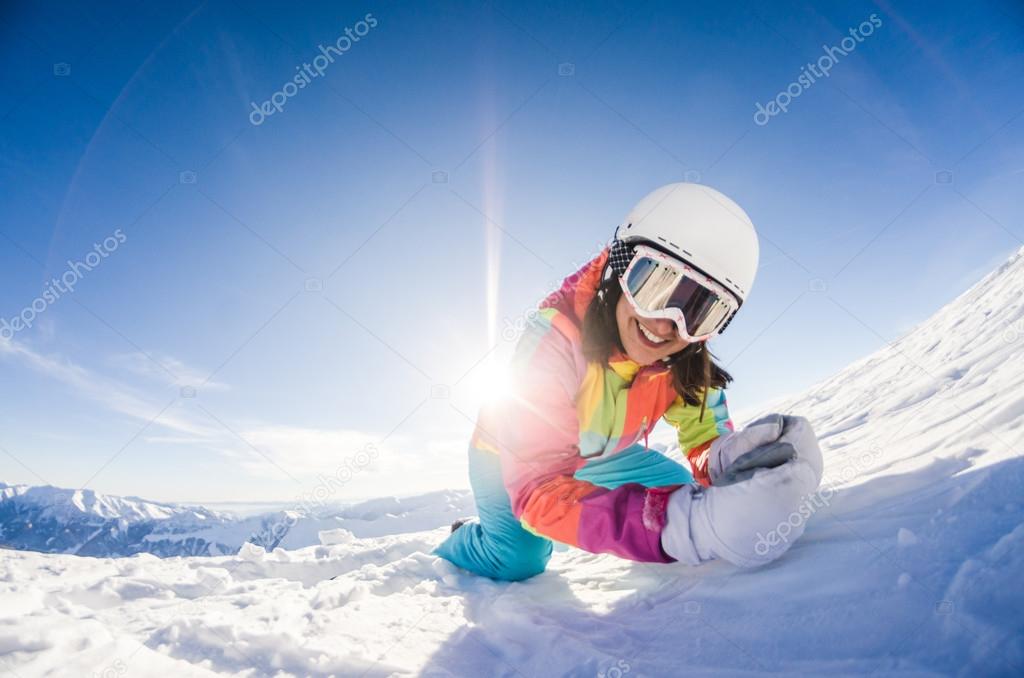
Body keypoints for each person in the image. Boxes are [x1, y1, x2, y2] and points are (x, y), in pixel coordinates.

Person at [435, 183, 824, 581]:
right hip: (510, 453)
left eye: (699, 310)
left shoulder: (683, 359)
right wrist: (678, 529)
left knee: (690, 494)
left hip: (600, 454)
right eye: (653, 285)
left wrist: (731, 457)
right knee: (519, 559)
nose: (663, 324)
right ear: (619, 271)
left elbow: (704, 438)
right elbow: (537, 489)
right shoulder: (552, 343)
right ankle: (462, 539)